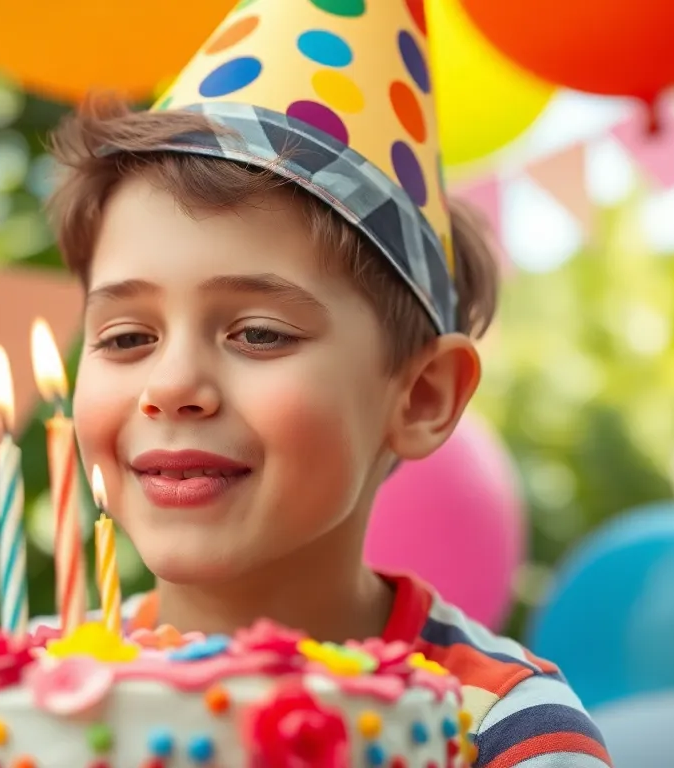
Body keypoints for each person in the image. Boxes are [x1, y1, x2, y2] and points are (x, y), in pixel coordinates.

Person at [32, 3, 612, 767]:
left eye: (259, 333)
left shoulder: (505, 731)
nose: (171, 386)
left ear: (423, 394)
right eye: (127, 337)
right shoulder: (5, 695)